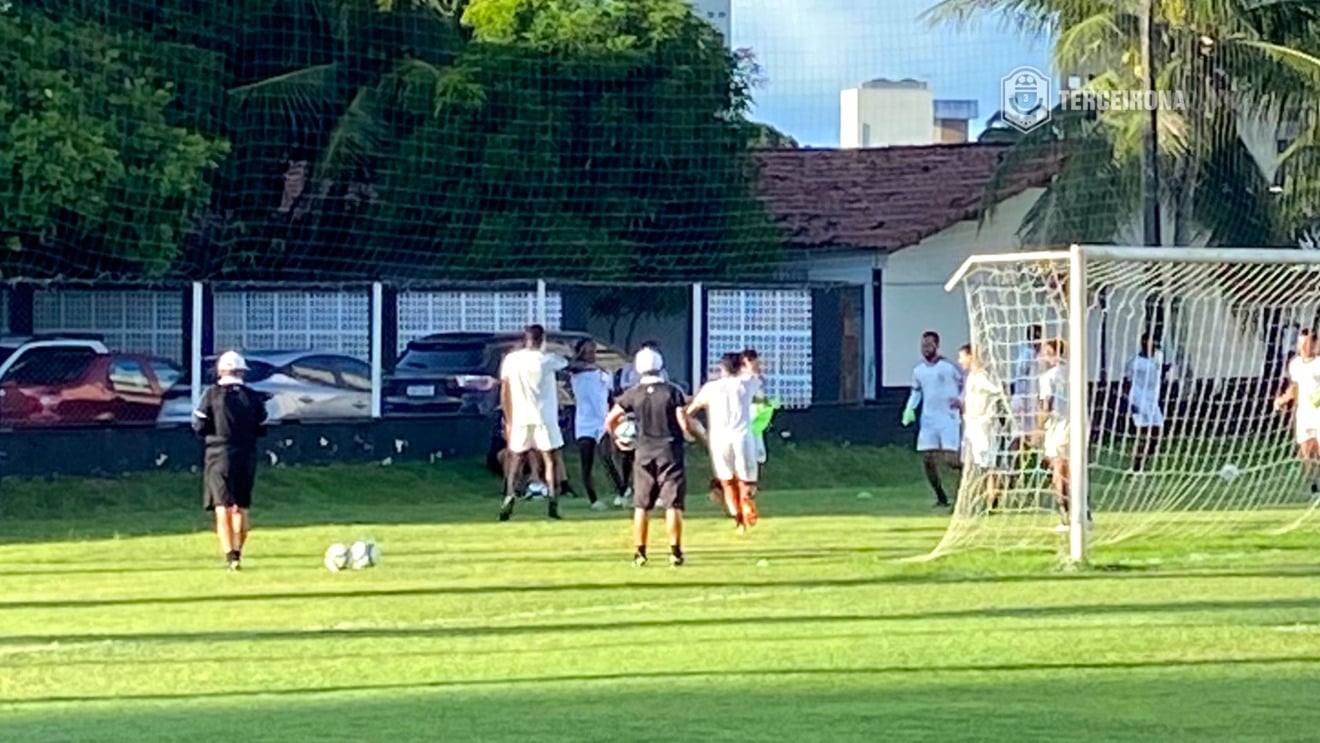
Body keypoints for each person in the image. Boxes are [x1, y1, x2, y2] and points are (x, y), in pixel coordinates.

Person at [604, 347, 694, 566]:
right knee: (672, 504)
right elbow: (683, 420)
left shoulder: (632, 393)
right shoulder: (672, 391)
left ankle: (640, 553)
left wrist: (618, 438)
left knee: (641, 505)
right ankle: (675, 552)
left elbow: (610, 420)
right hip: (669, 451)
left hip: (643, 453)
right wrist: (690, 436)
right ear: (660, 365)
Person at [193, 351, 269, 571]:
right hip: (246, 454)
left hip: (218, 455)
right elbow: (262, 427)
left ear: (220, 371)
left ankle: (229, 555)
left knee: (222, 507)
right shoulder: (254, 397)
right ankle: (238, 553)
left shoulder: (211, 395)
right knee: (241, 508)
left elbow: (199, 426)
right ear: (242, 372)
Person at [498, 324, 569, 521]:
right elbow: (566, 362)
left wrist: (508, 417)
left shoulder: (512, 360)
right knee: (549, 459)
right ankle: (553, 500)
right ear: (542, 339)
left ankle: (510, 493)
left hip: (520, 416)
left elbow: (504, 389)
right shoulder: (546, 360)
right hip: (544, 416)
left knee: (516, 458)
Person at [689, 353, 758, 534]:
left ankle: (738, 520)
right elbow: (755, 373)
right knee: (745, 480)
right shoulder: (746, 384)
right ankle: (746, 503)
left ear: (722, 368)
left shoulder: (711, 387)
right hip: (742, 436)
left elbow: (692, 408)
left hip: (719, 439)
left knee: (727, 482)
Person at [901, 331, 963, 508]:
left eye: (929, 345)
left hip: (948, 418)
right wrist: (910, 409)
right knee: (927, 458)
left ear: (937, 345)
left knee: (951, 460)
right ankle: (941, 496)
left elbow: (963, 383)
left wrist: (961, 401)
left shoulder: (948, 367)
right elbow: (916, 391)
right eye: (923, 346)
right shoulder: (918, 371)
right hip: (928, 419)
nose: (926, 349)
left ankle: (969, 477)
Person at [1037, 338, 1091, 531]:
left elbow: (1046, 405)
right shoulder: (1076, 372)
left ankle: (1066, 517)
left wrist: (1038, 429)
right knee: (1076, 470)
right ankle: (1084, 513)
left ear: (1052, 353)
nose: (1041, 356)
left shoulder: (1048, 377)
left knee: (1058, 472)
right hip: (1079, 424)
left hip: (1059, 426)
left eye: (1044, 352)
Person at [955, 344, 1007, 512]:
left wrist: (990, 415)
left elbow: (998, 391)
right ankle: (982, 498)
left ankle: (990, 499)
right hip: (972, 424)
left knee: (987, 465)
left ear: (972, 357)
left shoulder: (981, 377)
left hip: (983, 426)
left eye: (962, 356)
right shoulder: (971, 377)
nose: (960, 361)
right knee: (977, 463)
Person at [1274, 328, 1320, 496]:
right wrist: (1282, 399)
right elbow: (1294, 387)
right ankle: (1313, 484)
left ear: (1314, 344)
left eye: (1306, 343)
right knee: (1306, 450)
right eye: (1300, 343)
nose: (1303, 347)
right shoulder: (1295, 364)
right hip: (1304, 412)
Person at [569, 338, 612, 511]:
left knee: (607, 457)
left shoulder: (603, 373)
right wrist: (585, 363)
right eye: (587, 351)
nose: (591, 355)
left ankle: (623, 492)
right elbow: (571, 366)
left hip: (602, 420)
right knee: (587, 462)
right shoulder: (577, 371)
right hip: (585, 422)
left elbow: (609, 396)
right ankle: (593, 499)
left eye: (593, 351)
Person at [1124, 334, 1166, 473]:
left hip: (1153, 401)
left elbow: (1161, 371)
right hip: (1139, 401)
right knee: (1143, 434)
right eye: (1150, 342)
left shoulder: (1159, 356)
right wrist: (1132, 403)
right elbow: (1127, 381)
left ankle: (1142, 463)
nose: (1154, 344)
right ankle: (1135, 468)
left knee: (1157, 434)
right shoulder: (1136, 362)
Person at [1010, 325, 1045, 469]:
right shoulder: (1026, 354)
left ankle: (1043, 467)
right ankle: (1011, 466)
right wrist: (1021, 402)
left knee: (1038, 434)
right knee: (1019, 434)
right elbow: (1020, 379)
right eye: (1035, 336)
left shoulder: (1039, 355)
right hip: (1023, 399)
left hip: (1035, 399)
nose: (1038, 339)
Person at [741, 348, 769, 469]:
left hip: (755, 423)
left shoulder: (758, 380)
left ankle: (754, 485)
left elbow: (762, 400)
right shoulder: (740, 381)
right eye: (754, 363)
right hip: (743, 424)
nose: (757, 366)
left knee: (758, 456)